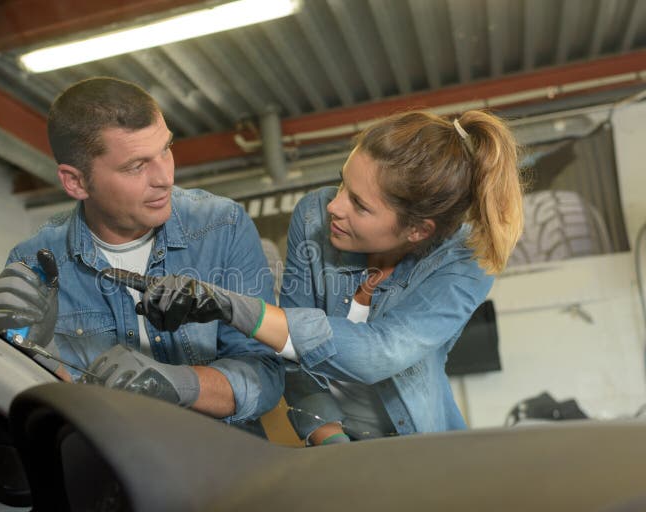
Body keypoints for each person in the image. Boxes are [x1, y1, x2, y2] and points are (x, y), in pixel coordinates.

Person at [123, 109, 524, 444]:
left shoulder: (467, 261)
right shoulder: (314, 216)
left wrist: (236, 308)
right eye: (342, 183)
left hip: (421, 446)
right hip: (329, 441)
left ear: (418, 230)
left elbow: (379, 354)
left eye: (360, 205)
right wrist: (328, 439)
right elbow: (295, 359)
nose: (335, 206)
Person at [0, 77, 283, 428]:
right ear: (75, 182)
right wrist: (28, 352)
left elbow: (266, 375)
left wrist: (179, 384)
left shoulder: (222, 227)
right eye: (136, 166)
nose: (165, 177)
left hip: (225, 466)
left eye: (166, 149)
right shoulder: (37, 262)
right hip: (110, 469)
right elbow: (38, 412)